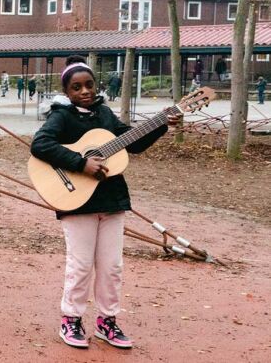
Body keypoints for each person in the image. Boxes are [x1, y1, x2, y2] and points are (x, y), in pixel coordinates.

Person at [31, 55, 180, 350]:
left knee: (112, 266)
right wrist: (80, 163)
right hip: (77, 202)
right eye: (77, 87)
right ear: (68, 91)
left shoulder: (105, 115)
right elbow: (40, 144)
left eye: (89, 85)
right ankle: (71, 319)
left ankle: (107, 321)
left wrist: (161, 124)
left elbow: (133, 142)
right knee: (81, 265)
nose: (85, 91)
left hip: (111, 200)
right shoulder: (61, 115)